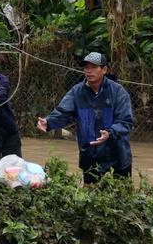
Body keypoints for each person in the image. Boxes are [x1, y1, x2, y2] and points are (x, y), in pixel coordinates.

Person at [36, 51, 133, 184]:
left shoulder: (118, 92)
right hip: (90, 153)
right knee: (89, 196)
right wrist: (48, 122)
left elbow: (125, 122)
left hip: (117, 153)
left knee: (121, 196)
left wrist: (109, 133)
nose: (89, 71)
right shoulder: (77, 92)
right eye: (86, 67)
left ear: (104, 70)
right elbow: (64, 112)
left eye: (93, 67)